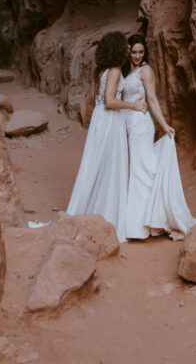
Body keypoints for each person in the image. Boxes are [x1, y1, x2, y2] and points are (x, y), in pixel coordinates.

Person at [66, 31, 146, 241]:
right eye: (126, 47)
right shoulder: (115, 72)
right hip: (110, 121)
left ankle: (95, 211)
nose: (129, 49)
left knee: (98, 165)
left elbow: (100, 99)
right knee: (109, 168)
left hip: (102, 120)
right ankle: (105, 217)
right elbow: (110, 101)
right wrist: (133, 105)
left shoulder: (103, 71)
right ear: (117, 49)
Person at [121, 34, 196, 240]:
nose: (137, 56)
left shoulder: (145, 70)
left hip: (140, 124)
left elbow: (152, 100)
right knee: (137, 167)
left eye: (141, 52)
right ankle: (148, 217)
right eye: (134, 51)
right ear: (128, 50)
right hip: (128, 123)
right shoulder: (126, 70)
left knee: (140, 168)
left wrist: (164, 125)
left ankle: (141, 225)